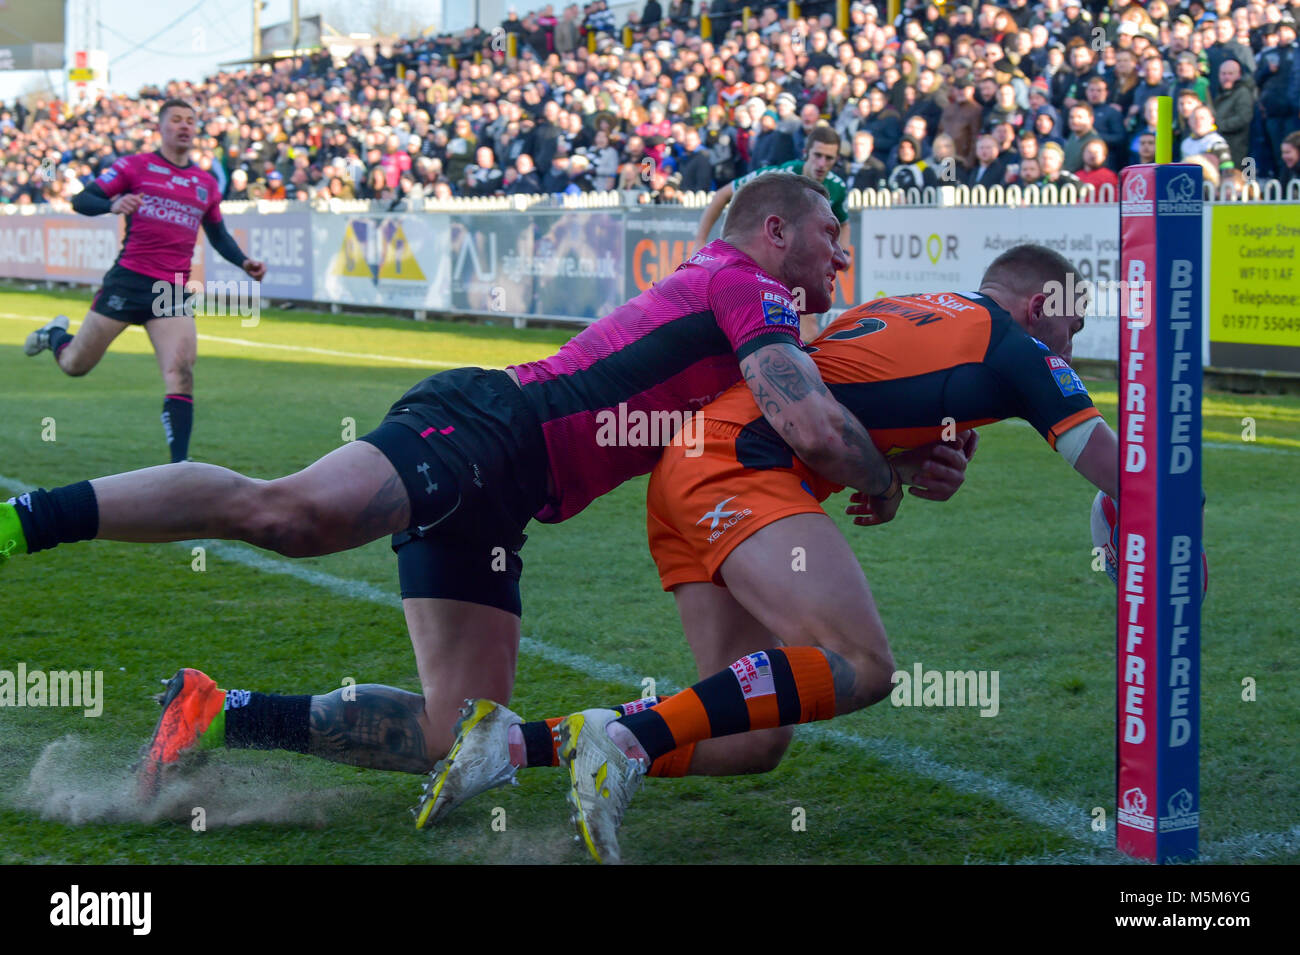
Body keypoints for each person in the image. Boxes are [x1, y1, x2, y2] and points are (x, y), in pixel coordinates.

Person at [1, 173, 911, 803]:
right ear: (776, 232)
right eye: (832, 235)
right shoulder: (749, 283)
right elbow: (811, 423)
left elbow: (806, 409)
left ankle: (214, 711)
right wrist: (882, 480)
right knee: (292, 513)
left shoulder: (734, 282)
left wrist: (906, 452)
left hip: (507, 491)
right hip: (488, 426)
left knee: (458, 731)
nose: (841, 258)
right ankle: (24, 519)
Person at [425, 245, 1120, 864]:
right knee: (863, 664)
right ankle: (623, 742)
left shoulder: (907, 307)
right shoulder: (1015, 348)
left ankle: (512, 745)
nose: (1072, 344)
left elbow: (848, 390)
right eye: (1072, 326)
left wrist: (902, 469)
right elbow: (1123, 470)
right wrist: (1152, 512)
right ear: (1040, 305)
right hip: (739, 462)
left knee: (752, 737)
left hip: (691, 469)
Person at [23, 100, 265, 464]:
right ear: (162, 128)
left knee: (181, 372)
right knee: (75, 364)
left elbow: (218, 234)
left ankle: (178, 469)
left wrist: (244, 262)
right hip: (129, 281)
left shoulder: (206, 183)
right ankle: (54, 334)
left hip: (170, 292)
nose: (185, 126)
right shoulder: (136, 166)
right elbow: (82, 199)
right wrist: (112, 205)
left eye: (190, 121)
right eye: (177, 120)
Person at [694, 126, 851, 342]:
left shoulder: (837, 187)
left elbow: (844, 223)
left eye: (829, 158)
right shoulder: (780, 176)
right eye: (818, 155)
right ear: (806, 152)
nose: (822, 164)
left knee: (805, 325)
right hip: (758, 261)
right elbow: (722, 195)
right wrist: (699, 240)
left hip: (796, 269)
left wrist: (841, 251)